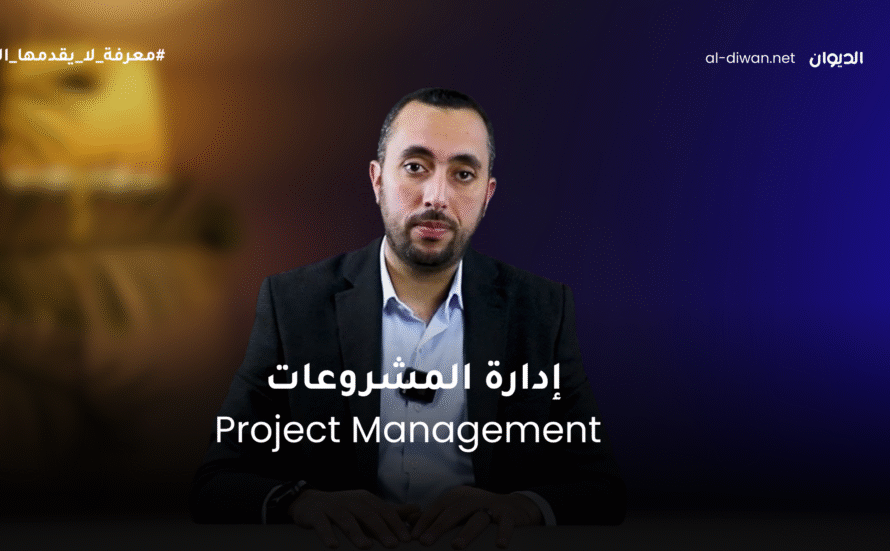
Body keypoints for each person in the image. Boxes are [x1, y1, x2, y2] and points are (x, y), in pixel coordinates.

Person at [192, 88, 624, 548]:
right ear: (377, 179)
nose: (436, 197)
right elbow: (217, 480)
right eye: (416, 167)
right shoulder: (293, 304)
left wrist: (519, 507)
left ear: (487, 194)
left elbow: (601, 487)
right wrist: (303, 502)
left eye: (463, 174)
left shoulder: (542, 311)